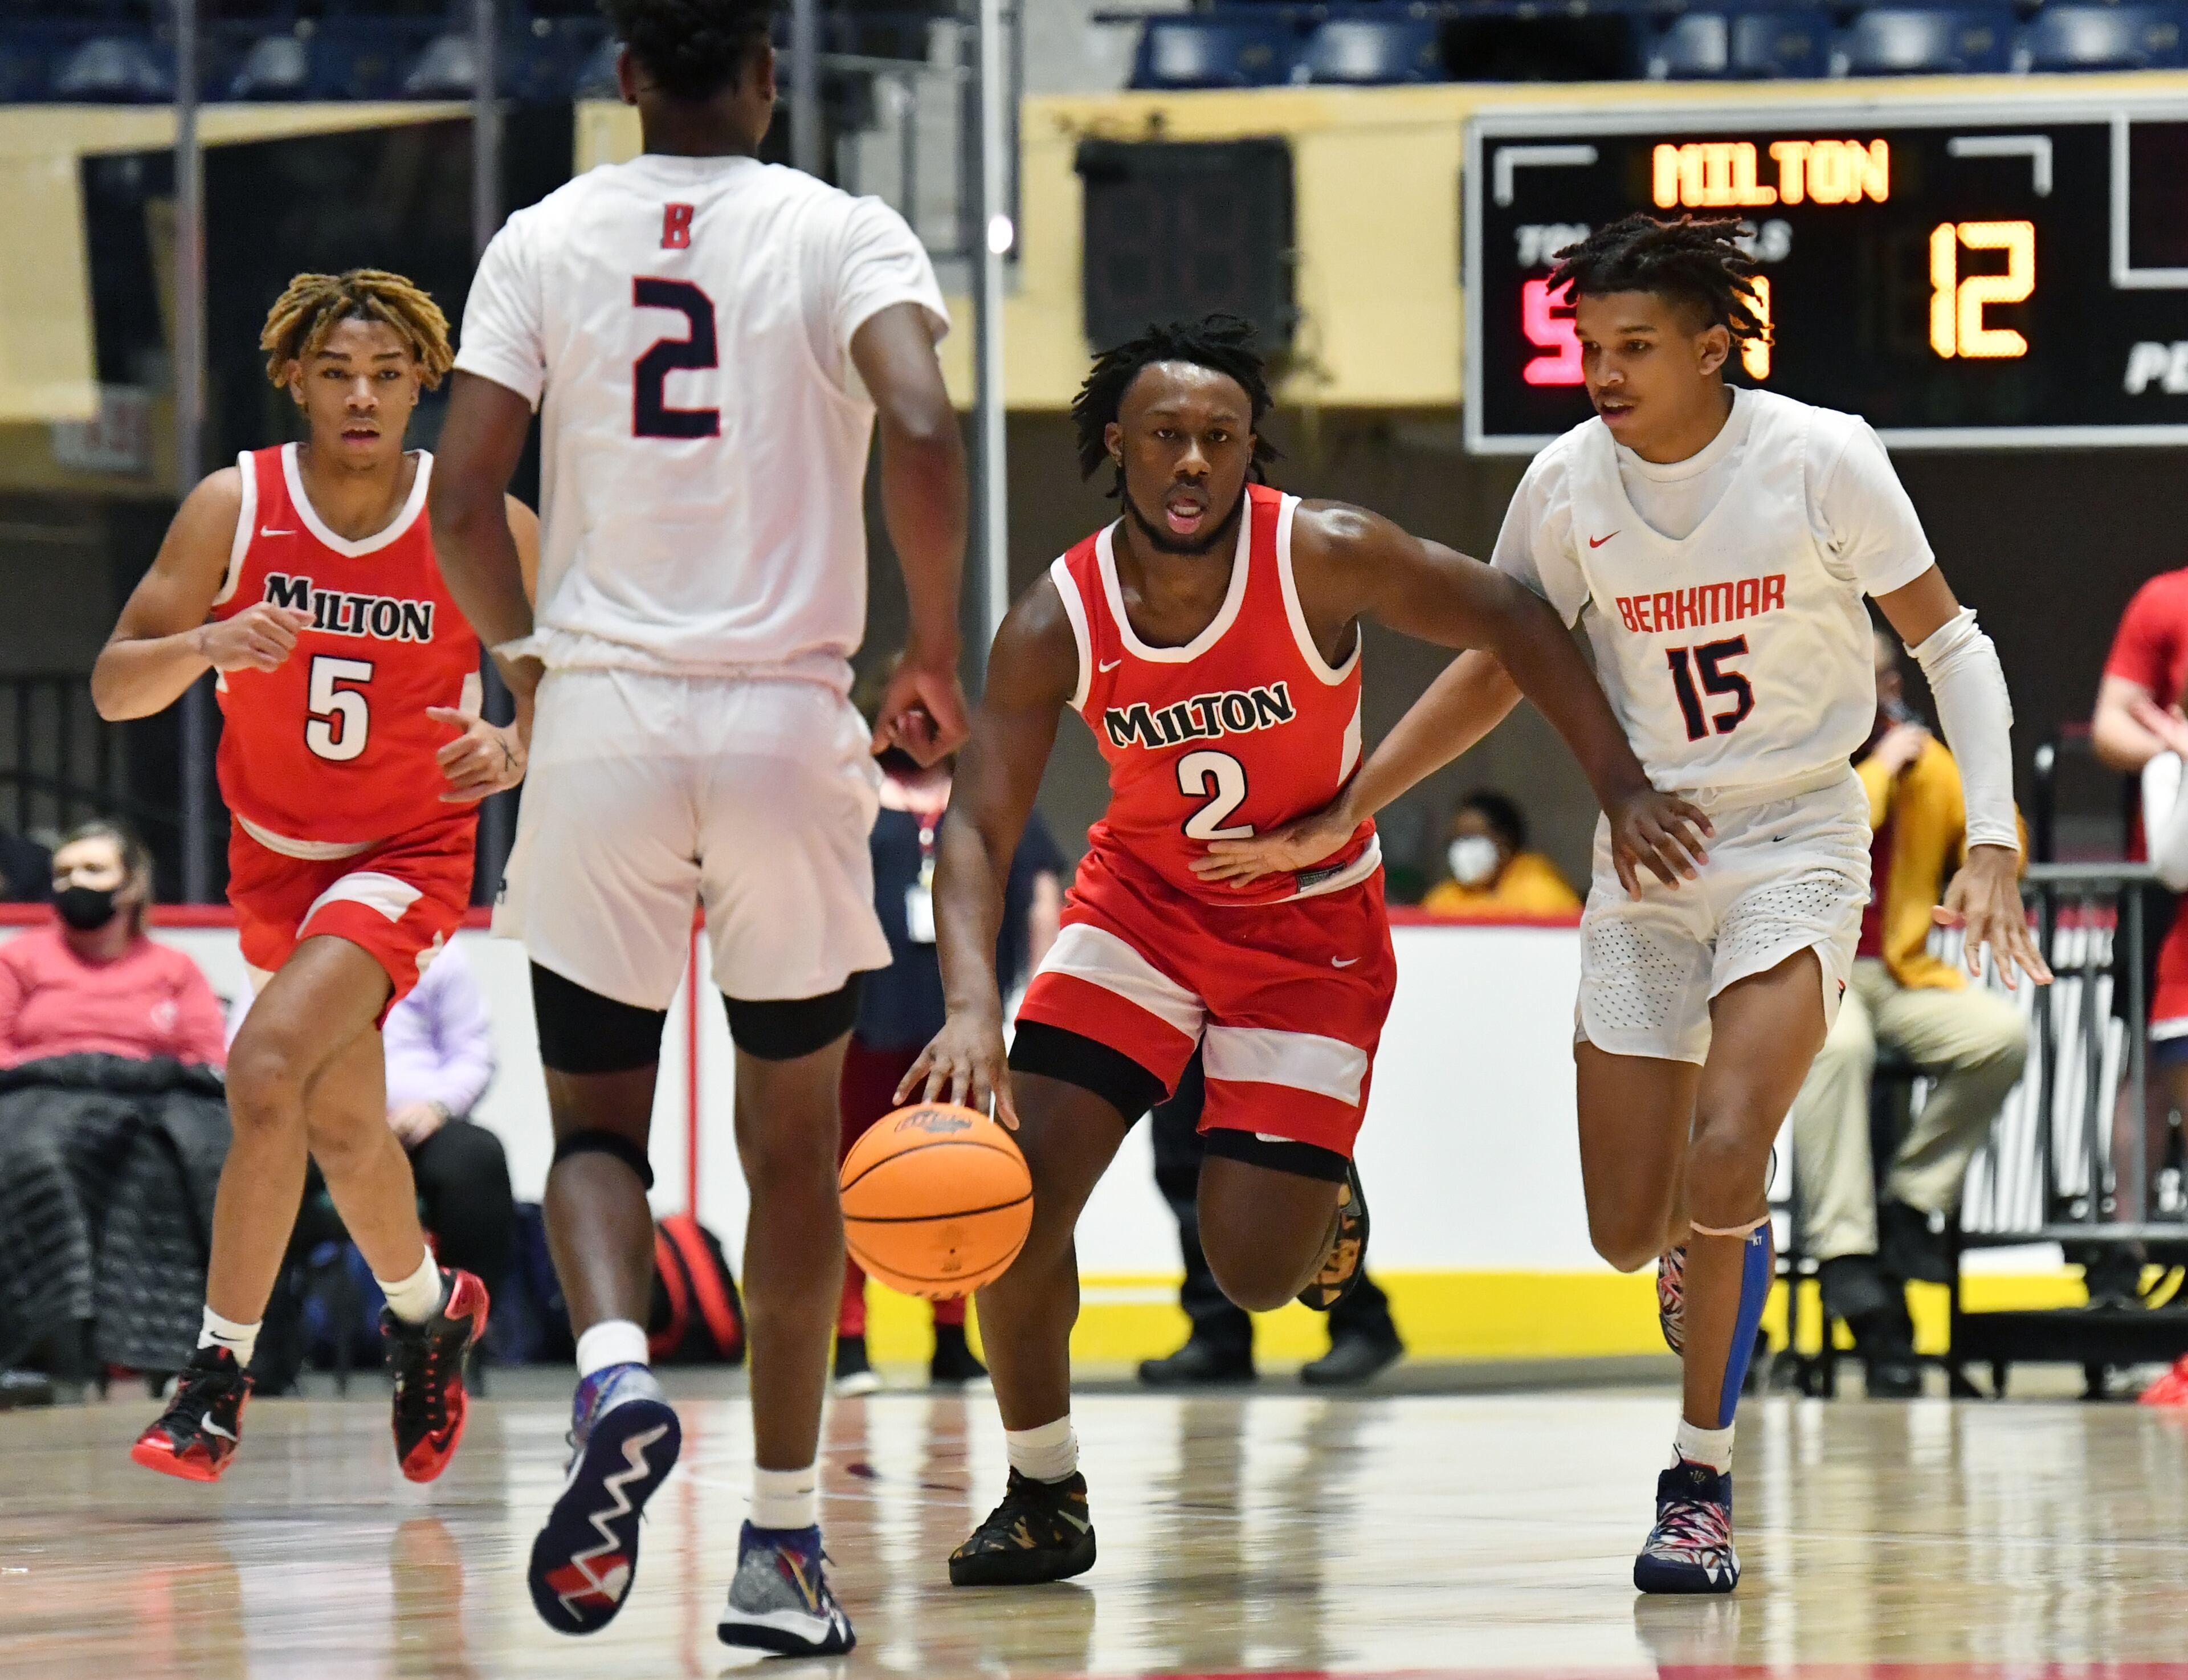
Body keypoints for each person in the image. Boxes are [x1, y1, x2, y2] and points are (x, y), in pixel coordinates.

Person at [1206, 215, 2045, 1594]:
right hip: (1645, 865)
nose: (1602, 371)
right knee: (1622, 1226)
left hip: (1793, 838)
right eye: (1589, 347)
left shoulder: (1820, 459)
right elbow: (1497, 661)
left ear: (1714, 346)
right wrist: (1356, 796)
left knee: (1728, 1157)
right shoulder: (1562, 484)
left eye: (1635, 347)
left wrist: (1993, 836)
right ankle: (1703, 1247)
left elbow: (1950, 644)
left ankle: (1696, 1487)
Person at [903, 313, 1701, 1589]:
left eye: (1220, 438)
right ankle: (1043, 1487)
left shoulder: (1321, 553)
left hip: (1309, 926)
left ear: (1249, 453)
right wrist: (965, 1008)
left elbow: (1522, 620)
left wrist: (1618, 786)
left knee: (1257, 1272)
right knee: (1012, 1204)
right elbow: (977, 828)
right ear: (1118, 444)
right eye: (1166, 435)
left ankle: (1322, 1191)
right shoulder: (1057, 616)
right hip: (1141, 911)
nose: (1192, 462)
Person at [427, 0, 968, 1653]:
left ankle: (609, 1374)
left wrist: (528, 668)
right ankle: (783, 1548)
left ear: (622, 79)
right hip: (791, 727)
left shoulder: (538, 237)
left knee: (596, 1133)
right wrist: (929, 648)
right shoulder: (840, 228)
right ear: (767, 75)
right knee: (792, 1157)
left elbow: (460, 503)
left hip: (598, 721)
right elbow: (929, 430)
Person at [90, 268, 535, 1486]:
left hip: (406, 855)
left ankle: (215, 1374)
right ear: (294, 375)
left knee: (267, 1067)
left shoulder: (474, 518)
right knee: (342, 1125)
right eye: (338, 372)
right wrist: (202, 642)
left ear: (422, 386)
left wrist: (517, 742)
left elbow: (566, 679)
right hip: (275, 858)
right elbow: (115, 683)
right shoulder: (234, 506)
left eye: (389, 376)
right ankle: (430, 1309)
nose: (362, 396)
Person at [1787, 629, 2028, 1398]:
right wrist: (1880, 772)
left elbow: (2000, 837)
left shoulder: (1921, 759)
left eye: (1885, 677)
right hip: (1810, 964)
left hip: (1898, 969)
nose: (1879, 692)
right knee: (1839, 1049)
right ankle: (1847, 1251)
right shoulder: (1796, 753)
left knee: (2000, 1036)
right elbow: (1836, 826)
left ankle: (1911, 1203)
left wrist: (1984, 846)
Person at [834, 742, 1062, 1396]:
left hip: (957, 1014)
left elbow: (1041, 886)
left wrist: (1032, 999)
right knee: (853, 1169)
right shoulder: (851, 789)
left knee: (960, 1173)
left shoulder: (985, 791)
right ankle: (850, 1339)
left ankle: (953, 1336)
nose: (914, 722)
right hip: (867, 1010)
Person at [230, 936, 516, 1311]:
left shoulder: (434, 948)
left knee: (478, 1158)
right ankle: (264, 1343)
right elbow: (246, 1050)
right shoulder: (278, 946)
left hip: (419, 1130)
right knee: (257, 1167)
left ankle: (454, 1333)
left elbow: (473, 1052)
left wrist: (437, 1107)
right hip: (314, 1131)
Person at [1137, 1047, 1404, 1388]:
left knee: (1291, 1155)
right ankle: (1218, 1335)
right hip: (1185, 1002)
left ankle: (1361, 1319)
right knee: (1186, 1160)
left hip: (1269, 1005)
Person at [0, 821, 226, 1069]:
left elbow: (206, 1059)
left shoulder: (177, 969)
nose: (76, 881)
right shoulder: (17, 958)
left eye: (93, 870)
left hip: (146, 1100)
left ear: (133, 885)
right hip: (40, 1098)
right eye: (63, 873)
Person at [1419, 790, 1582, 918]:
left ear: (1505, 840)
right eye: (1457, 839)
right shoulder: (1444, 898)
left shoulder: (1541, 891)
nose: (1463, 848)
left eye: (1472, 836)